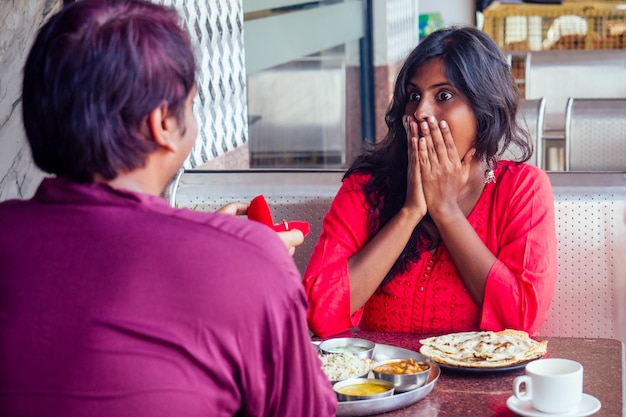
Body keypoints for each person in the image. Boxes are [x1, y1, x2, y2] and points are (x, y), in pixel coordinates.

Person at [0, 1, 336, 416]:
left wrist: (212, 242)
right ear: (162, 123)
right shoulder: (251, 261)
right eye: (192, 104)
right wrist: (243, 257)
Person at [303, 26, 557, 338]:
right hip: (382, 383)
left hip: (482, 387)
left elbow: (521, 319)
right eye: (414, 96)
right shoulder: (366, 186)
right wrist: (410, 213)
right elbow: (318, 311)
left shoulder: (521, 189)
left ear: (484, 110)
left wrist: (446, 211)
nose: (421, 111)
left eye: (444, 95)